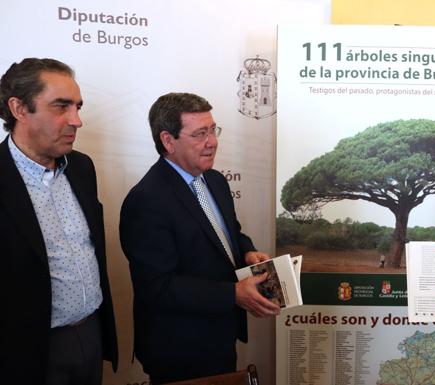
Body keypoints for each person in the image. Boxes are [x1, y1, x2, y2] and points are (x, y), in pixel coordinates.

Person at [119, 92, 281, 384]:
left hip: (220, 333)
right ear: (168, 141)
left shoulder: (215, 181)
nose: (212, 142)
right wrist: (233, 294)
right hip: (178, 348)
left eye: (213, 130)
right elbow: (157, 287)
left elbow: (229, 233)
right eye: (200, 134)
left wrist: (247, 252)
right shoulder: (146, 200)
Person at [0, 58, 118, 385]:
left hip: (91, 334)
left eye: (78, 107)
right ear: (19, 108)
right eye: (61, 107)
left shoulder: (81, 168)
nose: (77, 120)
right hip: (27, 352)